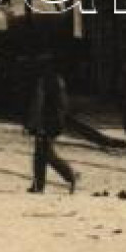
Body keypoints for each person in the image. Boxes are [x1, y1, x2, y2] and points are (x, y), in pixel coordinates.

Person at [24, 54, 78, 194]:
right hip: (54, 121)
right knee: (40, 154)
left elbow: (38, 104)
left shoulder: (42, 81)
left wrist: (31, 124)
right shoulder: (59, 80)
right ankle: (38, 185)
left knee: (46, 155)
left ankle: (70, 175)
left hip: (44, 123)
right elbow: (64, 104)